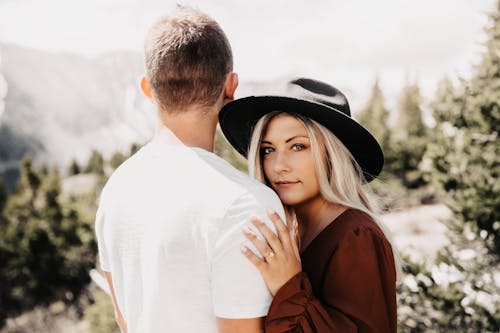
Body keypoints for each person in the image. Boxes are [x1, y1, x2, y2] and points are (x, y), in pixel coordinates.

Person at [94, 6, 285, 333]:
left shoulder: (116, 190)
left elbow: (124, 320)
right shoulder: (247, 205)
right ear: (231, 86)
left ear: (147, 89)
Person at [218, 78, 403, 333]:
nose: (279, 165)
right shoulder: (289, 234)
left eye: (297, 146)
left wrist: (290, 287)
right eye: (268, 149)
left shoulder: (356, 235)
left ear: (331, 154)